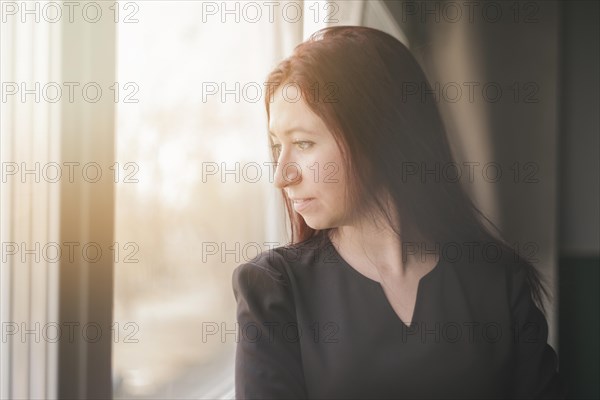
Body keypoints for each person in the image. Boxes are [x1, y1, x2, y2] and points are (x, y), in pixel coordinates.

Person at [232, 26, 563, 399]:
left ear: (380, 136)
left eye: (304, 143)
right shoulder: (273, 290)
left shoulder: (499, 280)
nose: (281, 175)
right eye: (279, 147)